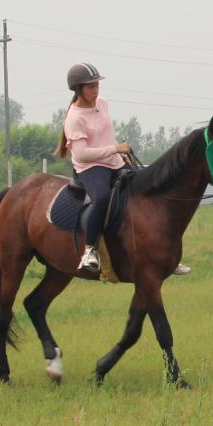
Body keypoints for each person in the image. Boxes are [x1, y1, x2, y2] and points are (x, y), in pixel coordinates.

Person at [55, 62, 132, 272]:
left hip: (115, 162)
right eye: (91, 87)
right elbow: (81, 154)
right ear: (78, 89)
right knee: (102, 198)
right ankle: (89, 249)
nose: (96, 90)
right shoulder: (74, 117)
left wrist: (117, 153)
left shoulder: (103, 103)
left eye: (97, 85)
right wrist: (115, 148)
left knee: (146, 185)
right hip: (90, 167)